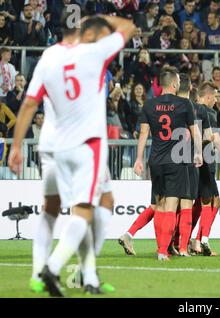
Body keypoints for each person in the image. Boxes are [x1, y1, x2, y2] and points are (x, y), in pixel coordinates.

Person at [8, 15, 136, 297]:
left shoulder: (48, 56)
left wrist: (16, 146)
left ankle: (58, 275)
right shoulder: (92, 52)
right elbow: (129, 27)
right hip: (86, 143)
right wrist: (100, 19)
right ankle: (64, 271)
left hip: (53, 145)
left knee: (51, 209)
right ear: (85, 33)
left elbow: (29, 103)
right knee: (90, 207)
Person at [133, 66, 203, 261]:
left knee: (160, 205)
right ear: (174, 84)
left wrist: (139, 159)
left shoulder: (149, 105)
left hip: (155, 161)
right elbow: (195, 131)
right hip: (176, 161)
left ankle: (160, 248)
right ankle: (163, 251)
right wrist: (198, 153)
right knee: (171, 207)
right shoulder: (184, 104)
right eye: (178, 83)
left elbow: (144, 134)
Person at [193, 82, 220, 256]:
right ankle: (201, 240)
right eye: (216, 97)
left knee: (197, 204)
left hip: (191, 161)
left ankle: (190, 240)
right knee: (213, 203)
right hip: (206, 161)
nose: (216, 101)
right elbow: (216, 139)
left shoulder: (193, 110)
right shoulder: (208, 112)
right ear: (209, 96)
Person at [200, 12, 220, 81]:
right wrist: (202, 39)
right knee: (208, 79)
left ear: (216, 19)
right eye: (208, 18)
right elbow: (201, 46)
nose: (208, 20)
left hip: (219, 57)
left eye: (211, 18)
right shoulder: (204, 28)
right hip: (207, 57)